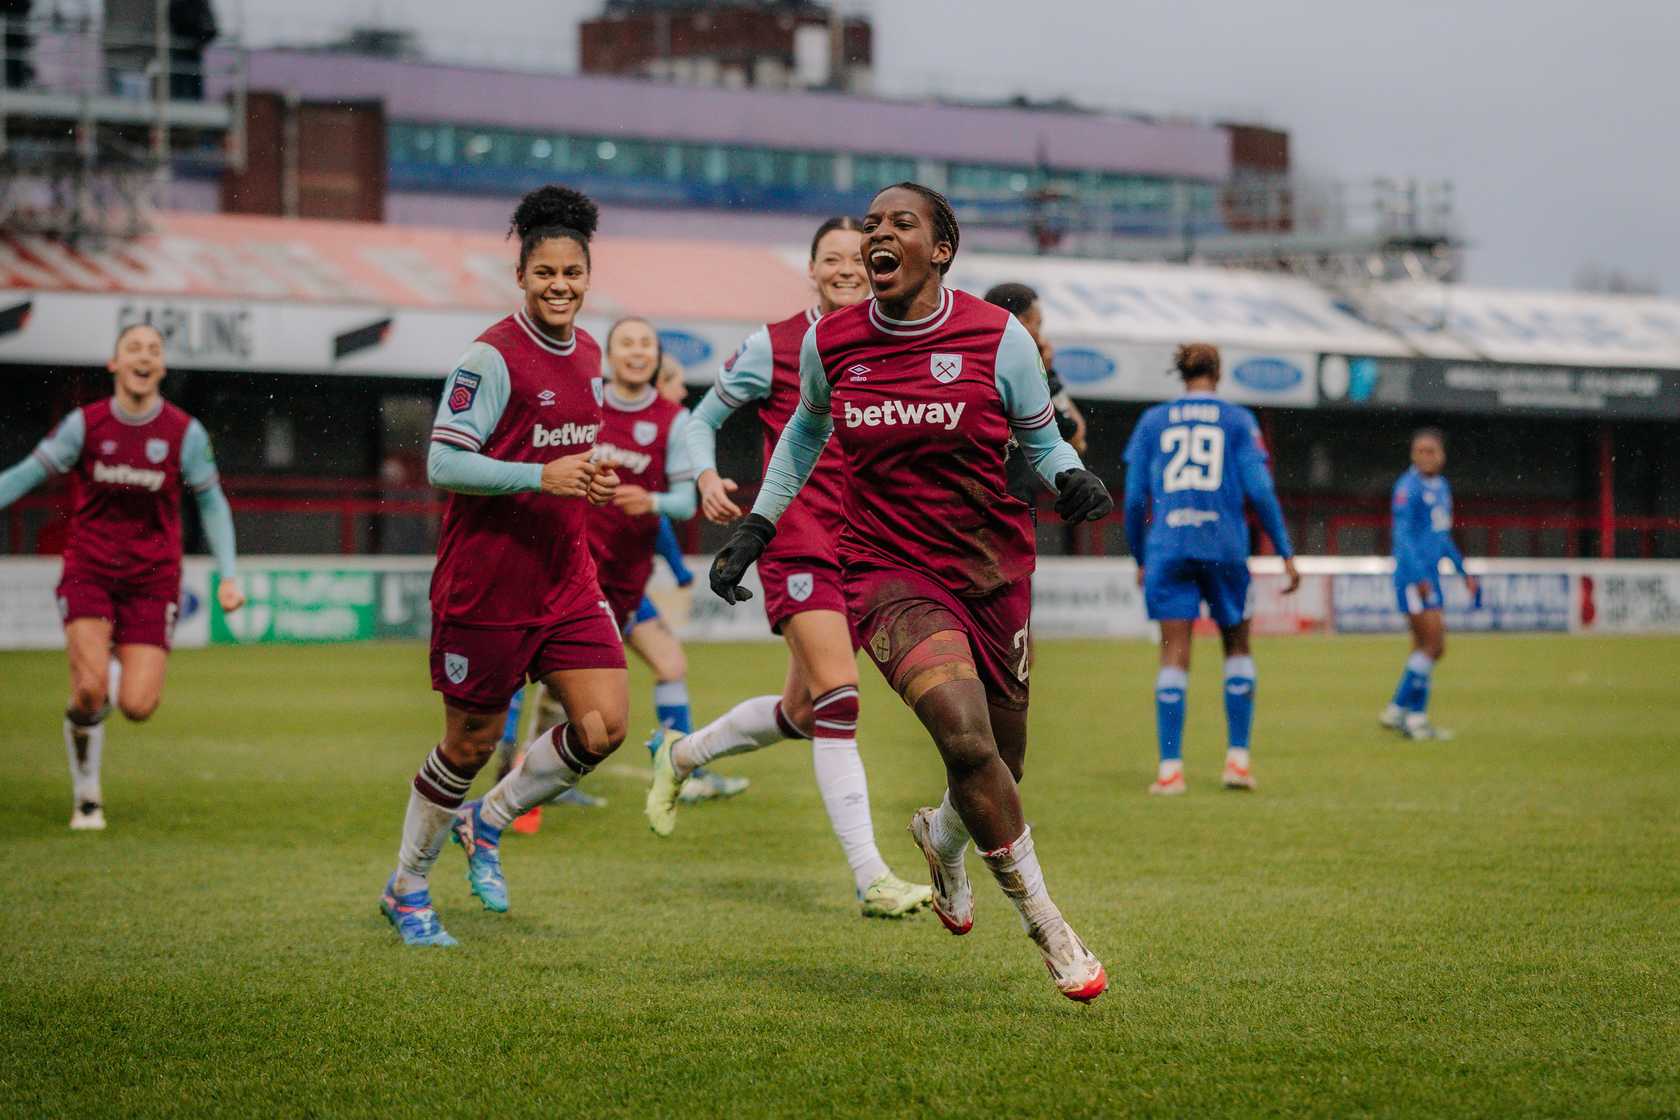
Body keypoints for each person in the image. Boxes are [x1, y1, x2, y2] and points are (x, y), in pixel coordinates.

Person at [693, 183, 1115, 1000]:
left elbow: (1039, 437)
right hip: (888, 571)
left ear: (941, 249)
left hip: (992, 571)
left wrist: (1072, 477)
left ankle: (944, 842)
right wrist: (756, 527)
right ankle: (1051, 928)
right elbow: (803, 435)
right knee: (963, 736)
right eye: (871, 224)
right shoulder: (834, 342)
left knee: (998, 761)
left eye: (899, 224)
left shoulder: (996, 336)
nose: (877, 235)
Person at [651, 215, 930, 920]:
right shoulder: (775, 345)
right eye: (831, 259)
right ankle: (871, 878)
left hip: (866, 543)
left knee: (803, 712)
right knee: (840, 700)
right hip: (796, 533)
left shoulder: (891, 344)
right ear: (811, 270)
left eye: (857, 261)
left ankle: (682, 756)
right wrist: (707, 477)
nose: (846, 270)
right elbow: (700, 418)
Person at [380, 185, 628, 948]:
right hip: (487, 587)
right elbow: (443, 463)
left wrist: (588, 475)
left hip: (566, 581)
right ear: (521, 276)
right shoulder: (490, 356)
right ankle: (407, 887)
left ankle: (486, 822)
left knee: (604, 724)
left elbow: (563, 455)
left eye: (573, 274)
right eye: (546, 273)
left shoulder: (590, 352)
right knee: (468, 744)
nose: (561, 286)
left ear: (589, 276)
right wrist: (538, 475)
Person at [0, 322, 244, 830]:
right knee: (89, 692)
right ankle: (87, 793)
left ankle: (108, 676)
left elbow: (213, 503)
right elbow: (26, 473)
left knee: (137, 705)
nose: (144, 356)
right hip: (89, 569)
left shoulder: (185, 433)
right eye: (133, 348)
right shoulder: (84, 426)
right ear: (114, 364)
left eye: (153, 350)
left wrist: (228, 573)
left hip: (153, 578)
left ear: (161, 368)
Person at [1122, 343, 1299, 797]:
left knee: (1174, 653)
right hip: (1224, 545)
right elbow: (1260, 490)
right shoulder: (1239, 420)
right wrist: (1285, 552)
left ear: (1180, 373)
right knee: (1237, 645)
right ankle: (1237, 762)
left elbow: (1135, 497)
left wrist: (1142, 556)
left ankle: (1170, 770)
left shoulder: (1153, 421)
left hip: (1169, 546)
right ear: (1218, 372)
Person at [1380, 427, 1478, 741]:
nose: (1424, 456)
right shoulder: (1408, 487)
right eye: (1419, 450)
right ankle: (1402, 711)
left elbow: (1442, 535)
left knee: (1424, 648)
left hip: (1429, 576)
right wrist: (1419, 575)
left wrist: (1463, 570)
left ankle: (1408, 716)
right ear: (1412, 454)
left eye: (1430, 451)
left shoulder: (1442, 487)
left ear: (1442, 455)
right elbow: (1402, 537)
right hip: (1414, 578)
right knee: (1434, 645)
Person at [983, 282, 1086, 513]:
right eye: (1038, 325)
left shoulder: (967, 362)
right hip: (1009, 509)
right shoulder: (1020, 377)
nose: (1041, 337)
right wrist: (1047, 376)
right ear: (1020, 324)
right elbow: (1076, 437)